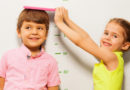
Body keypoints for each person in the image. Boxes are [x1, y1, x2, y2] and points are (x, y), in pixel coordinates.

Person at [54, 7, 130, 90]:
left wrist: (60, 23)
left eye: (115, 36)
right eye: (106, 33)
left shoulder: (112, 58)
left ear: (125, 45)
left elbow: (81, 41)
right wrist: (67, 20)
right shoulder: (112, 58)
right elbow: (86, 38)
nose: (107, 38)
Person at [0, 9, 60, 90]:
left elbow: (53, 87)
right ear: (19, 32)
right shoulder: (8, 56)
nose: (34, 32)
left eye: (39, 28)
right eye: (28, 27)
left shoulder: (51, 61)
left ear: (46, 34)